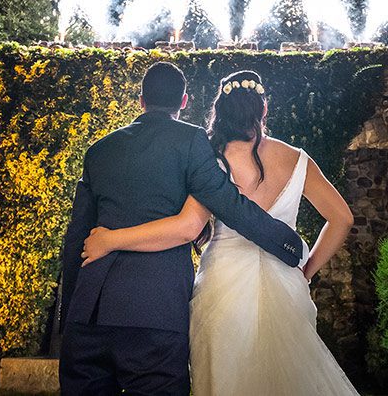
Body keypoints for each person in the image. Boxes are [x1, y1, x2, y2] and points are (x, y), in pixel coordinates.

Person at [81, 69, 359, 396]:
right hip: (287, 285)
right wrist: (307, 271)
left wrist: (111, 239)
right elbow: (342, 218)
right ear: (263, 109)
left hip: (221, 286)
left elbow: (189, 225)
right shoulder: (298, 160)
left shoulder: (210, 160)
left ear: (220, 111)